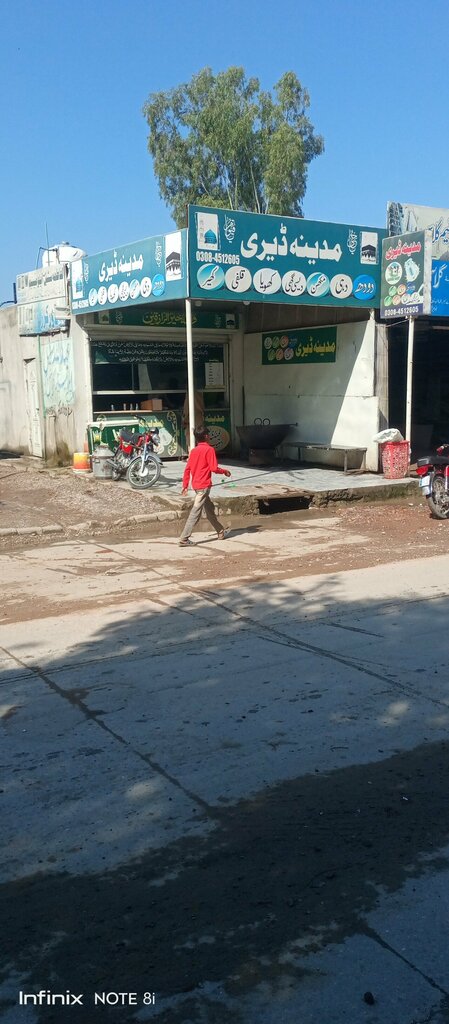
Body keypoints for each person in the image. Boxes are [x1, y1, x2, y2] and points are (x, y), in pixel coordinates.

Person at [179, 427, 231, 547]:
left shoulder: (194, 451)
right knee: (195, 512)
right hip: (204, 487)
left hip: (197, 486)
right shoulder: (209, 450)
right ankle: (184, 538)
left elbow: (187, 470)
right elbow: (214, 468)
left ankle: (220, 531)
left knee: (209, 509)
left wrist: (185, 485)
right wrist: (224, 471)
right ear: (206, 436)